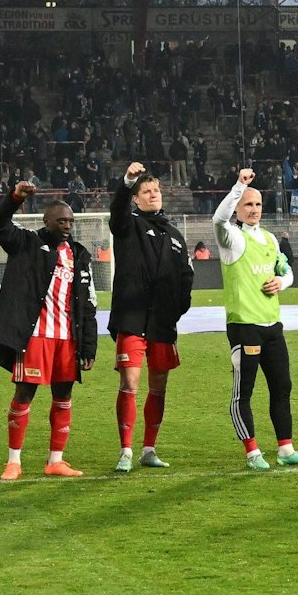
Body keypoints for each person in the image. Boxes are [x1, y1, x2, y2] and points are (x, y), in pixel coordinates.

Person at [0, 181, 98, 480]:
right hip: (35, 336)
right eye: (61, 220)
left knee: (64, 395)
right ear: (46, 221)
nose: (67, 225)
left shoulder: (79, 255)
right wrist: (13, 199)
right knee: (24, 393)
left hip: (68, 338)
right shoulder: (26, 244)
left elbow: (87, 303)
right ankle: (13, 461)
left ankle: (55, 460)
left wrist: (89, 345)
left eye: (71, 221)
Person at [213, 168, 298, 469]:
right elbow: (218, 219)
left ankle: (286, 449)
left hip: (272, 325)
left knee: (282, 387)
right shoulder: (231, 238)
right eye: (247, 204)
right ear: (237, 207)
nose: (253, 209)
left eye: (257, 204)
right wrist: (238, 186)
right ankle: (252, 452)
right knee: (243, 392)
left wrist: (281, 283)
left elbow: (287, 271)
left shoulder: (271, 239)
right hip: (244, 325)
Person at [108, 162, 195, 473]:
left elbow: (186, 275)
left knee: (159, 386)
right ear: (136, 198)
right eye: (146, 191)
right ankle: (126, 450)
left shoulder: (173, 234)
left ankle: (149, 449)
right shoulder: (127, 224)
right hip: (132, 318)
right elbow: (116, 209)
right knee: (130, 382)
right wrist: (127, 181)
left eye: (156, 190)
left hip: (162, 323)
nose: (153, 194)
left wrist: (178, 308)